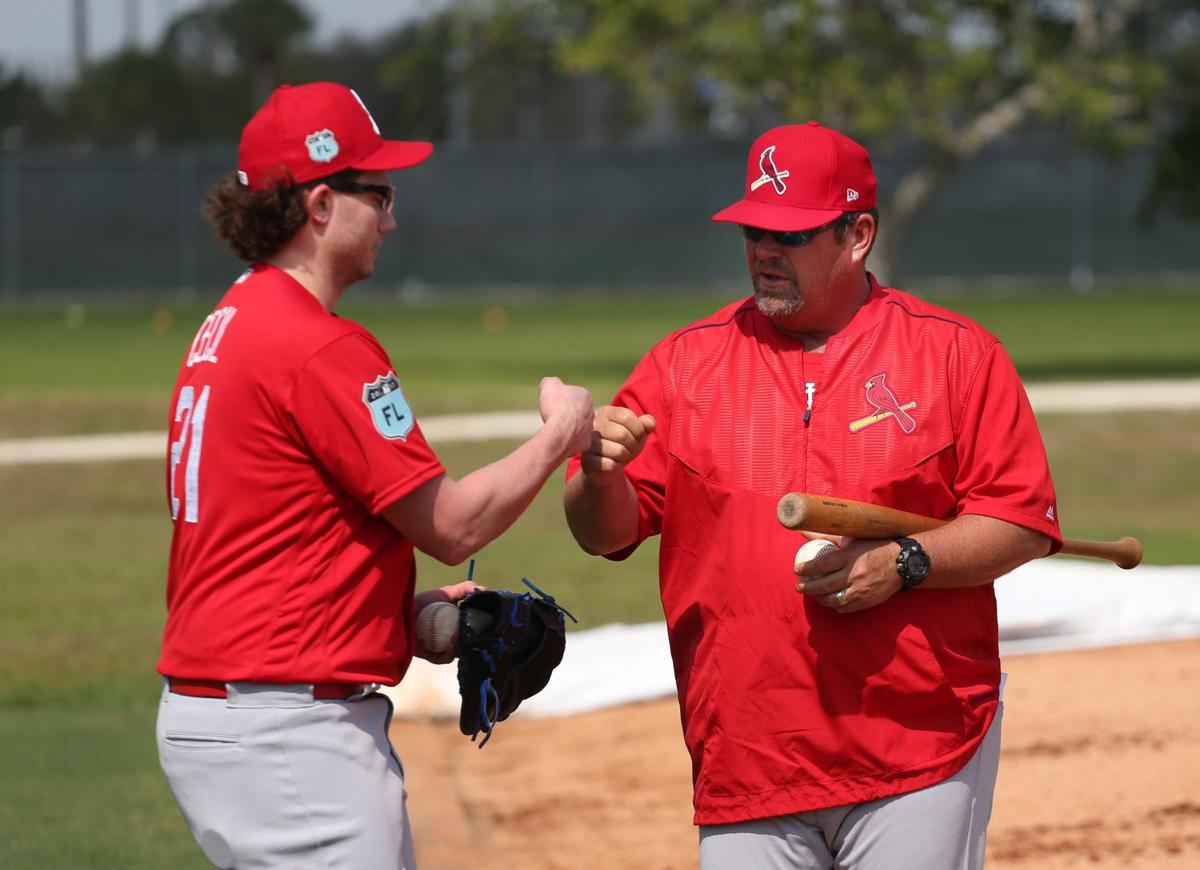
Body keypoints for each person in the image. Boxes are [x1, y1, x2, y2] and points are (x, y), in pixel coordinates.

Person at [563, 122, 1062, 870]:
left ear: (858, 235)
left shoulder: (955, 355)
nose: (765, 250)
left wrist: (906, 562)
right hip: (745, 756)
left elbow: (1018, 521)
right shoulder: (681, 366)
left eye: (790, 234)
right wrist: (599, 476)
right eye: (753, 231)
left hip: (915, 750)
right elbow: (601, 533)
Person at [157, 81, 592, 870]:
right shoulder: (319, 345)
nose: (391, 217)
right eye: (379, 194)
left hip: (231, 712)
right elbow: (454, 525)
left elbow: (273, 530)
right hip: (290, 734)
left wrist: (388, 616)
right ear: (321, 204)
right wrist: (562, 433)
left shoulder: (229, 322)